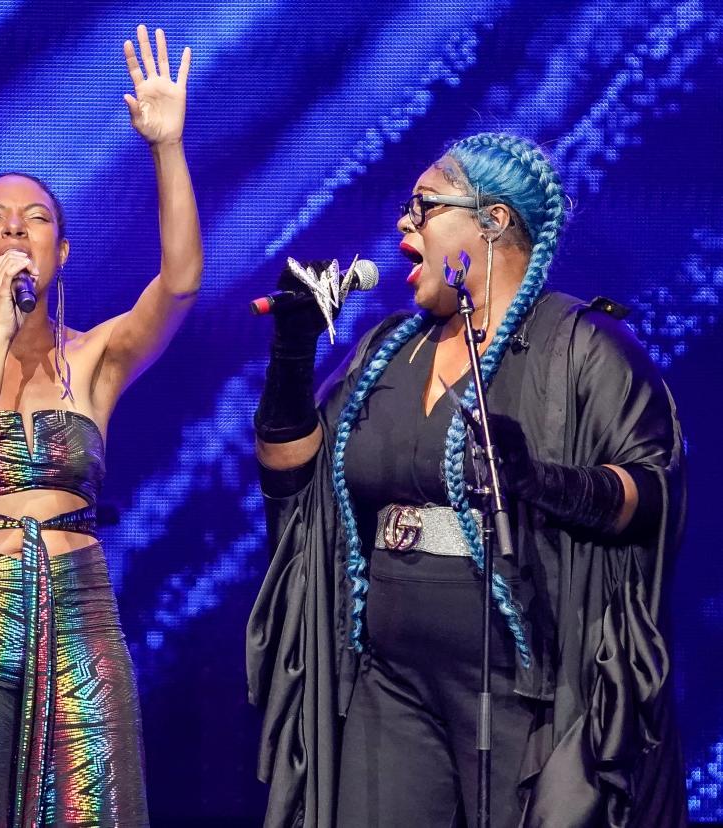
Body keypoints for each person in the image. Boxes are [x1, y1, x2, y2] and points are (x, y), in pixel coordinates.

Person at [246, 133, 687, 827]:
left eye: (423, 206)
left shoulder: (583, 345)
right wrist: (291, 355)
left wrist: (539, 479)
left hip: (521, 680)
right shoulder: (392, 347)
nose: (403, 223)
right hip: (387, 678)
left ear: (494, 221)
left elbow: (649, 493)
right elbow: (292, 485)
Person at [0, 25, 199, 826]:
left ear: (60, 250)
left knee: (95, 807)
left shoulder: (96, 355)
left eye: (34, 219)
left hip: (79, 604)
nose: (16, 230)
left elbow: (181, 284)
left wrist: (167, 148)